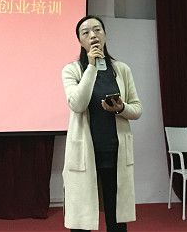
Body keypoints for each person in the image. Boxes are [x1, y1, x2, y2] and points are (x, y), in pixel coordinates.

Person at [61, 15, 142, 232]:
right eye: (86, 33)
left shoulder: (121, 69)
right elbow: (77, 104)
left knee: (117, 219)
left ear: (105, 35)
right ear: (80, 41)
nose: (93, 35)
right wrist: (91, 67)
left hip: (115, 152)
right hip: (85, 153)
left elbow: (137, 109)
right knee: (81, 219)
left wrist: (121, 108)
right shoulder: (71, 70)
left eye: (97, 30)